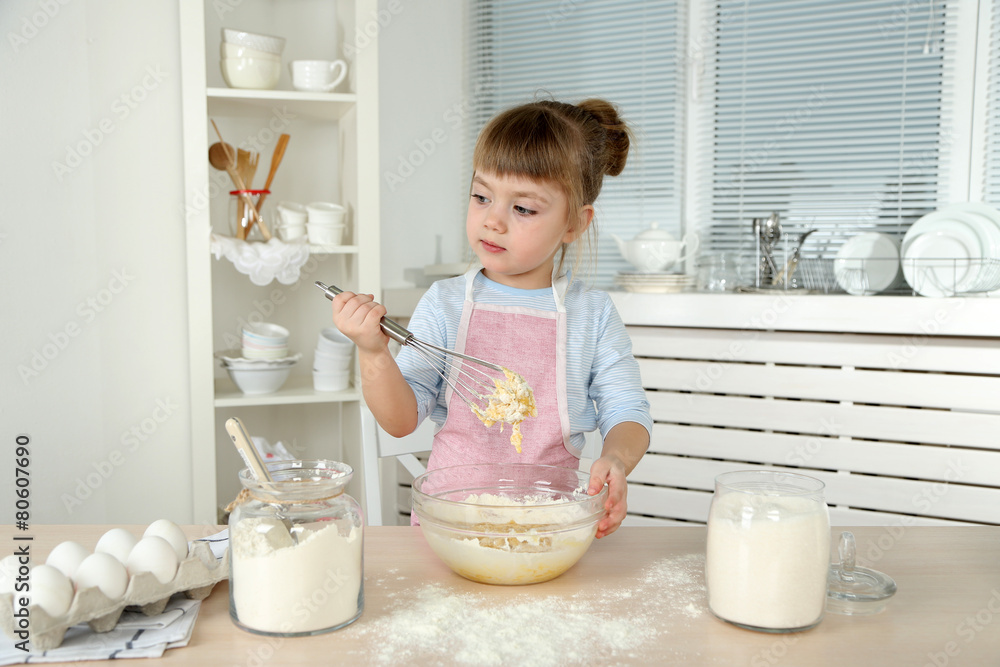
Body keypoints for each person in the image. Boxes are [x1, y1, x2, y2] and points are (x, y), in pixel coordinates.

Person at [331, 98, 652, 538]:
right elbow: (401, 420)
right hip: (449, 526)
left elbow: (627, 410)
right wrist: (372, 352)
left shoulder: (590, 315)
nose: (493, 221)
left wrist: (615, 459)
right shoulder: (445, 303)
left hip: (549, 527)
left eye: (523, 208)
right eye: (482, 197)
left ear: (575, 224)